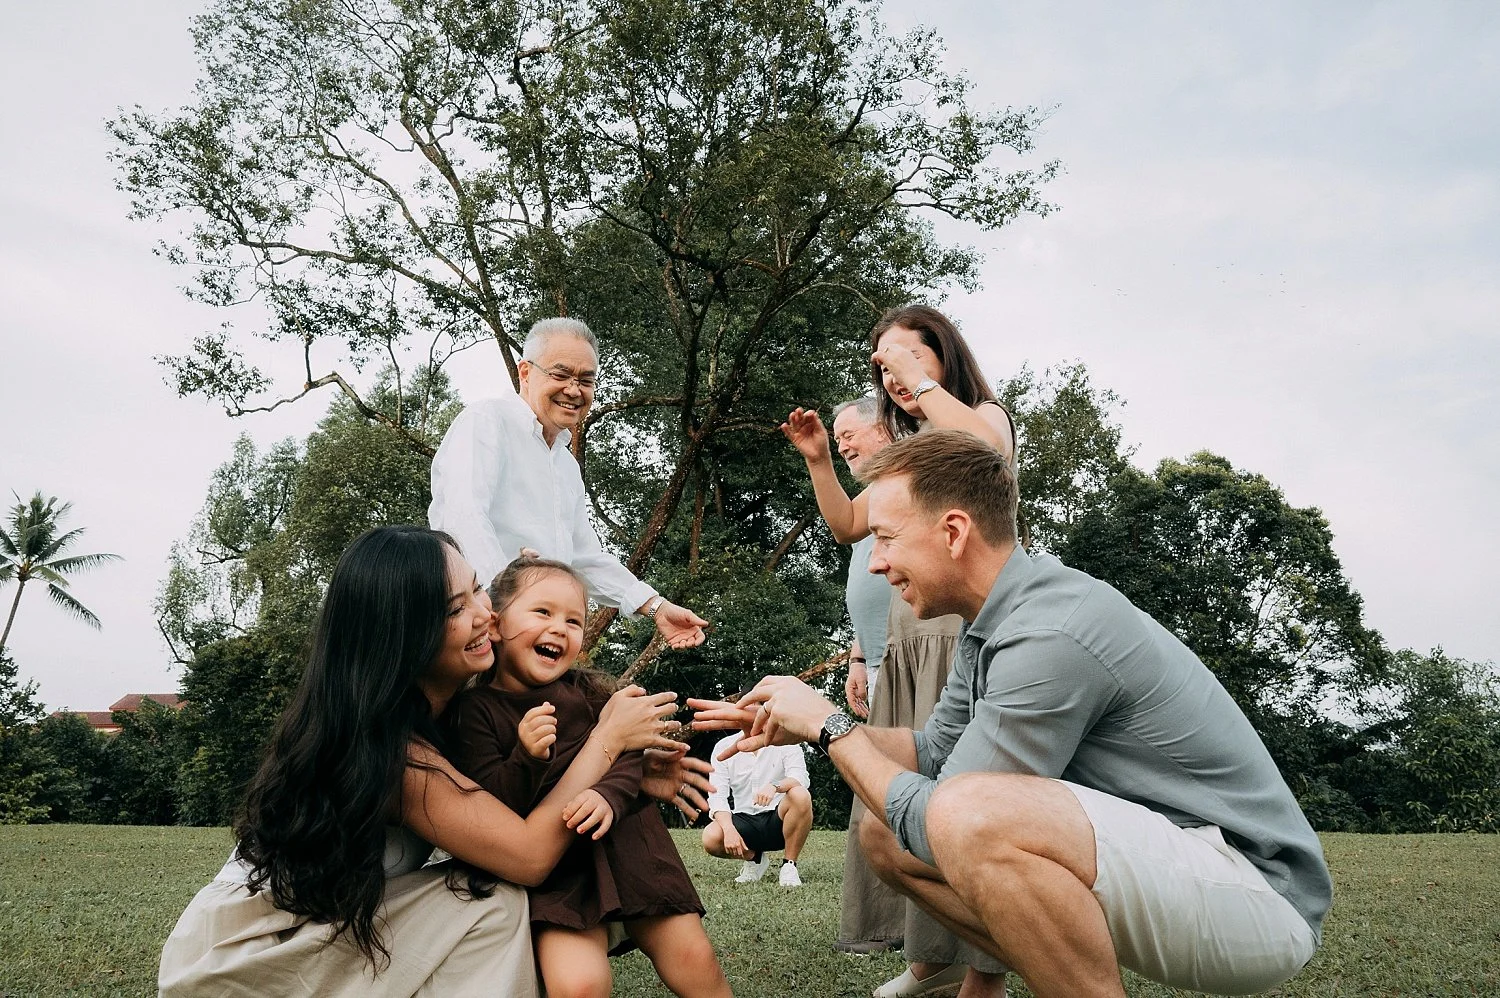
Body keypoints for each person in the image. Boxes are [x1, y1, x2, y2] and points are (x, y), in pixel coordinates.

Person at [692, 430, 1333, 998]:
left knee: (965, 813)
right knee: (881, 832)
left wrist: (831, 727)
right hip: (1184, 871)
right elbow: (936, 754)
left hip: (1257, 897)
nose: (878, 560)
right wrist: (811, 721)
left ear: (953, 531)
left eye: (886, 538)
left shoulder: (1051, 632)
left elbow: (949, 815)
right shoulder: (993, 618)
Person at [159, 526, 711, 998]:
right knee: (496, 898)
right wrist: (607, 744)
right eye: (457, 608)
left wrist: (633, 779)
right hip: (244, 957)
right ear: (402, 637)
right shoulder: (391, 748)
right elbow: (526, 856)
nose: (486, 615)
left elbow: (527, 790)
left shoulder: (456, 712)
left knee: (487, 898)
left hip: (319, 926)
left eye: (477, 591)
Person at [783, 305, 1015, 997]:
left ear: (944, 355)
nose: (896, 373)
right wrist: (822, 460)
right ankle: (931, 957)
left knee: (973, 796)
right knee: (905, 795)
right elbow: (849, 524)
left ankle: (984, 974)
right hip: (911, 636)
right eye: (884, 365)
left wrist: (921, 383)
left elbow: (989, 452)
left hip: (972, 629)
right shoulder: (908, 449)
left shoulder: (982, 415)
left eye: (910, 355)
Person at [445, 556, 731, 998]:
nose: (560, 627)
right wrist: (526, 758)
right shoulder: (473, 713)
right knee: (578, 985)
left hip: (631, 850)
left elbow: (630, 752)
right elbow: (494, 807)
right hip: (562, 875)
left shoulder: (590, 692)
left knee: (695, 961)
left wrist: (609, 796)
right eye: (543, 612)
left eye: (574, 620)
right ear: (497, 625)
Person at [429, 316, 708, 650]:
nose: (574, 390)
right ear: (526, 373)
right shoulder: (487, 422)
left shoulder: (564, 464)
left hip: (533, 643)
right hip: (481, 635)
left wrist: (656, 606)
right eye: (560, 375)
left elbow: (584, 558)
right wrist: (505, 602)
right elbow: (463, 518)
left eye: (586, 380)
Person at [829, 396, 905, 954]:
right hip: (878, 661)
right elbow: (868, 578)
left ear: (885, 427)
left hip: (916, 658)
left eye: (849, 434)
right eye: (837, 440)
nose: (843, 444)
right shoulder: (871, 495)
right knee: (874, 781)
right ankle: (880, 924)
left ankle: (913, 928)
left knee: (899, 781)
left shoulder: (910, 482)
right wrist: (858, 656)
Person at [702, 728, 813, 888]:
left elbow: (800, 777)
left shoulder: (786, 740)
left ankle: (789, 865)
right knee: (710, 837)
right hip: (744, 821)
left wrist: (775, 786)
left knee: (800, 794)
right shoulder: (724, 746)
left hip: (779, 820)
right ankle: (754, 859)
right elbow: (717, 795)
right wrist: (728, 829)